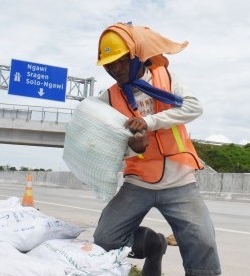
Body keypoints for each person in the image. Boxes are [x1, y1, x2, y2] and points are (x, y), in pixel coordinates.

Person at [93, 22, 221, 276]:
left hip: (179, 181)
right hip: (138, 182)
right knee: (105, 240)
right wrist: (132, 149)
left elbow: (194, 108)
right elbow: (106, 145)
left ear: (135, 56)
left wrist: (149, 123)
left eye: (120, 60)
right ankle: (154, 245)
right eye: (108, 64)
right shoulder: (107, 98)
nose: (114, 69)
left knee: (202, 244)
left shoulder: (166, 78)